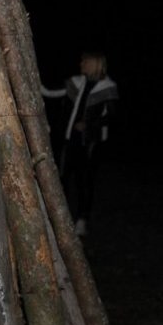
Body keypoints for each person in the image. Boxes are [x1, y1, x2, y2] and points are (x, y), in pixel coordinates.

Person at [41, 50, 119, 236]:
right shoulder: (77, 82)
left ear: (94, 63)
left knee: (85, 181)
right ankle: (63, 218)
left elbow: (112, 117)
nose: (81, 65)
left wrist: (89, 124)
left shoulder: (108, 88)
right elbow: (49, 91)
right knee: (63, 178)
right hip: (70, 140)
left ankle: (83, 220)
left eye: (84, 62)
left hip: (91, 143)